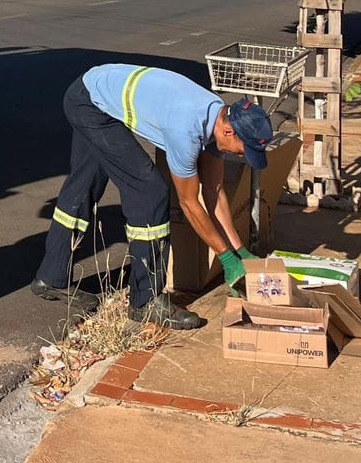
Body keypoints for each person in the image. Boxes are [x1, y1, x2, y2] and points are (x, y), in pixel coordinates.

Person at [31, 64, 274, 329]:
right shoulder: (187, 131)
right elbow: (190, 204)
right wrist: (226, 258)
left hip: (94, 90)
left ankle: (50, 278)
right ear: (228, 132)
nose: (242, 156)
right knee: (150, 192)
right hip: (90, 104)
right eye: (243, 149)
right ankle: (146, 301)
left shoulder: (217, 115)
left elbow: (214, 192)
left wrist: (239, 251)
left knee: (82, 188)